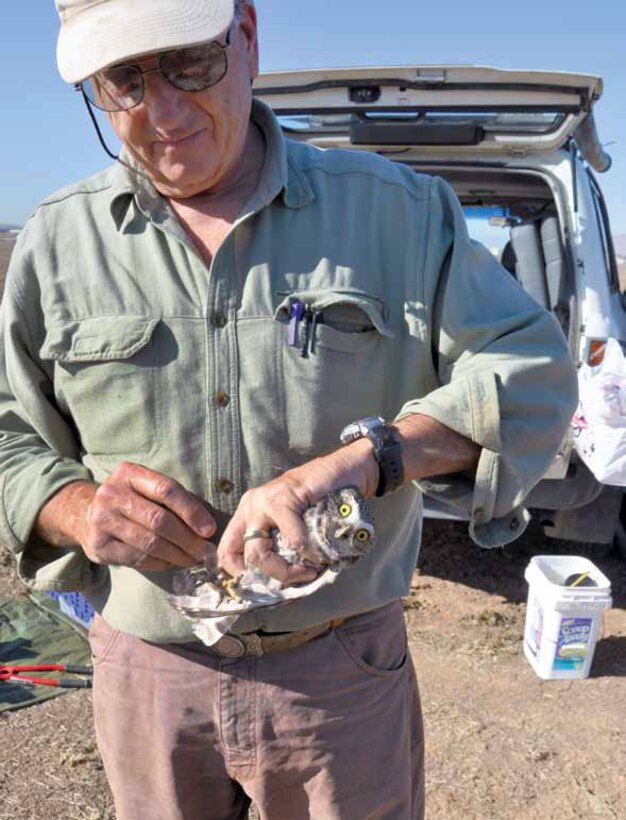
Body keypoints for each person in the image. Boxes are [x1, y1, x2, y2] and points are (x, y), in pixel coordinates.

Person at [0, 1, 578, 817]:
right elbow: (9, 433)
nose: (163, 112)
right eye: (124, 80)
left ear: (247, 36)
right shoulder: (57, 245)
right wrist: (75, 508)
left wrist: (372, 457)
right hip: (148, 675)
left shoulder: (401, 215)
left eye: (190, 62)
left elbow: (532, 374)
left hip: (338, 679)